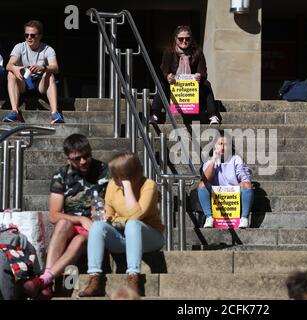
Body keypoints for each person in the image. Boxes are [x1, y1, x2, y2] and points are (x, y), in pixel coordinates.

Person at [22, 134, 109, 299]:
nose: (83, 161)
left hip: (95, 228)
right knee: (62, 223)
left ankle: (44, 280)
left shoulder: (104, 171)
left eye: (86, 156)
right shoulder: (61, 175)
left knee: (80, 240)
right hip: (72, 226)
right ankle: (47, 280)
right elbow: (54, 216)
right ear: (67, 159)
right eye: (77, 158)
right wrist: (82, 219)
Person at [79, 152, 165, 297]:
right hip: (123, 238)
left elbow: (137, 215)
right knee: (97, 227)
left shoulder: (148, 185)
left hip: (150, 237)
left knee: (133, 224)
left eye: (117, 176)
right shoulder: (113, 186)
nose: (113, 179)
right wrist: (112, 219)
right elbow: (109, 215)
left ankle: (133, 278)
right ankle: (94, 279)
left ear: (129, 175)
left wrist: (127, 186)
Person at [150, 25, 220, 125]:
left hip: (193, 93)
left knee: (207, 84)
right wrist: (167, 77)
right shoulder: (169, 52)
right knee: (162, 84)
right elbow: (163, 71)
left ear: (191, 39)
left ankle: (213, 115)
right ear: (175, 39)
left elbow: (203, 72)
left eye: (187, 38)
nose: (184, 41)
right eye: (181, 39)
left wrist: (199, 76)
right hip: (174, 93)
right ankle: (154, 114)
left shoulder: (197, 52)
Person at [3, 20, 64, 124]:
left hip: (41, 84)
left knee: (50, 74)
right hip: (23, 82)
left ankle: (54, 113)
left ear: (40, 36)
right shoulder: (20, 47)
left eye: (33, 35)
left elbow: (55, 68)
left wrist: (43, 68)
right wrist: (16, 68)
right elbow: (9, 65)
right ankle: (15, 112)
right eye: (26, 35)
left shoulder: (48, 49)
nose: (29, 38)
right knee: (10, 73)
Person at [197, 130, 254, 228]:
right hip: (216, 195)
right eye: (220, 144)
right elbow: (205, 179)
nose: (222, 147)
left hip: (233, 194)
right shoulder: (210, 161)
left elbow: (245, 179)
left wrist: (234, 187)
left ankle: (244, 218)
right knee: (202, 184)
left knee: (247, 185)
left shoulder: (236, 159)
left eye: (226, 144)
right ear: (215, 146)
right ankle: (209, 217)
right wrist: (214, 160)